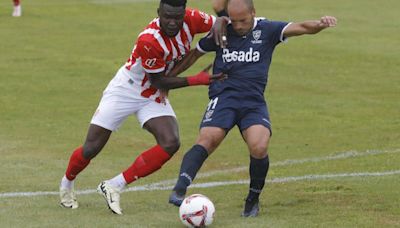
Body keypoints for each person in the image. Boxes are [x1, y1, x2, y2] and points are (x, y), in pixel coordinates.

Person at [168, 0, 337, 217]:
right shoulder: (221, 30)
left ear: (253, 13)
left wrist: (320, 24)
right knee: (208, 138)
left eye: (243, 21)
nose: (238, 26)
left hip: (253, 102)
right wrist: (168, 79)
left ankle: (252, 199)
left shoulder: (267, 30)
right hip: (224, 99)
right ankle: (179, 189)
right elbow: (194, 54)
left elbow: (302, 28)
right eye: (234, 20)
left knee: (259, 146)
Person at [59, 0, 228, 215]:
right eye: (167, 16)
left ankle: (114, 186)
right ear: (158, 13)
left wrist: (222, 24)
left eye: (177, 17)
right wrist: (197, 79)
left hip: (151, 95)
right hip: (127, 89)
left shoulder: (192, 19)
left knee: (170, 142)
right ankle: (66, 184)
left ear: (184, 14)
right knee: (92, 147)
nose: (173, 22)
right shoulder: (149, 40)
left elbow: (220, 23)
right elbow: (159, 81)